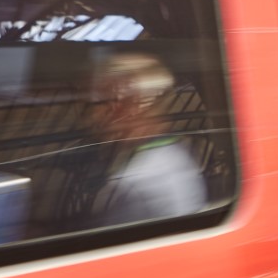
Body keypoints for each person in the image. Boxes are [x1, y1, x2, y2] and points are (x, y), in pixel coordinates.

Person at [82, 54, 208, 227]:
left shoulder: (138, 181)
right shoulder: (171, 154)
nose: (95, 116)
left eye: (103, 102)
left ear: (131, 108)